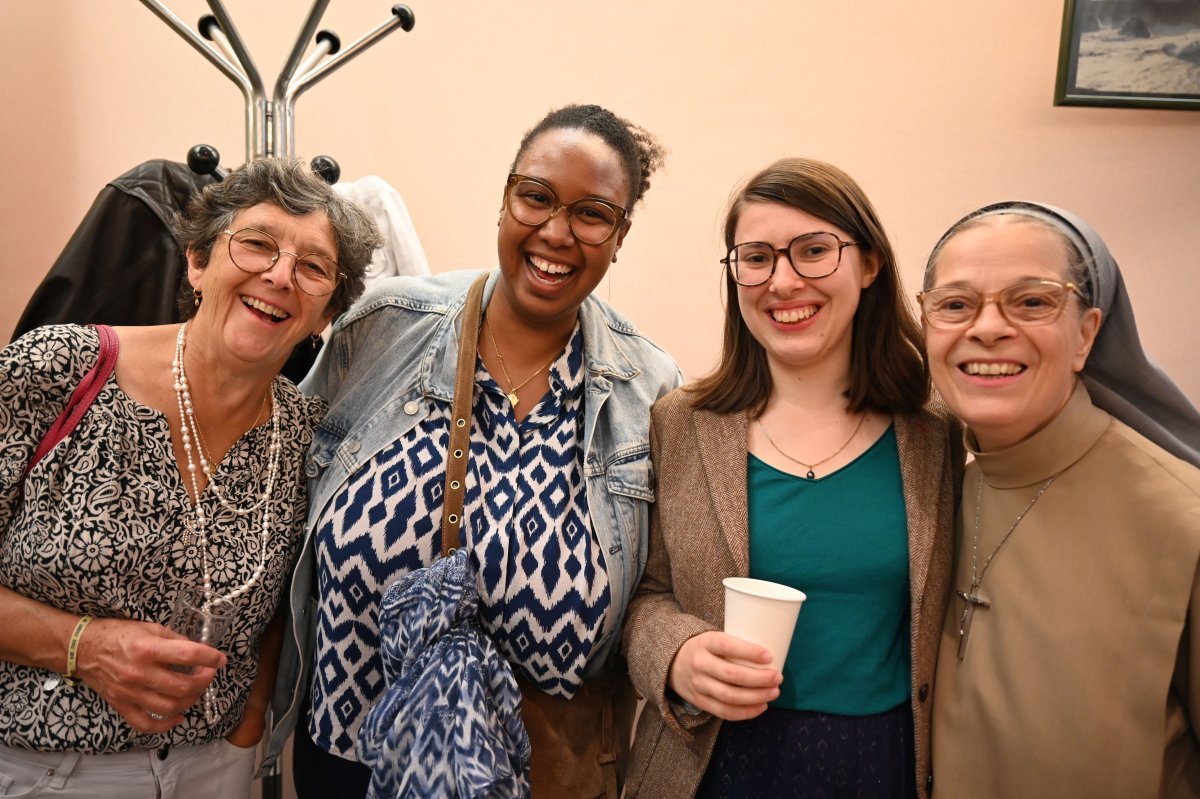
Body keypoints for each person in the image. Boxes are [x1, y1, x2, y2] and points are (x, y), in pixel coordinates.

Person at [265, 103, 681, 799]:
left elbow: (655, 593)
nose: (556, 231)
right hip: (347, 765)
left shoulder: (649, 389)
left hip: (541, 773)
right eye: (537, 197)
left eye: (592, 213)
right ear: (505, 198)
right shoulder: (386, 327)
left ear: (620, 233)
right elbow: (275, 489)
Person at [0, 158, 379, 798]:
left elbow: (290, 604)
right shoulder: (60, 370)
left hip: (213, 772)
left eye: (313, 267)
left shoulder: (310, 438)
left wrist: (248, 726)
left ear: (325, 316)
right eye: (257, 243)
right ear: (198, 263)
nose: (280, 275)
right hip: (43, 769)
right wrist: (83, 646)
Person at [621, 158, 963, 799]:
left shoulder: (936, 431)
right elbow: (643, 597)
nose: (782, 281)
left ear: (869, 265)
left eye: (813, 251)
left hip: (884, 763)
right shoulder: (682, 423)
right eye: (756, 257)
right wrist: (676, 657)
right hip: (715, 765)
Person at [922, 201, 1200, 797]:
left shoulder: (1184, 520)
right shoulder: (936, 488)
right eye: (955, 305)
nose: (988, 328)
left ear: (1087, 334)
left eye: (1031, 301)